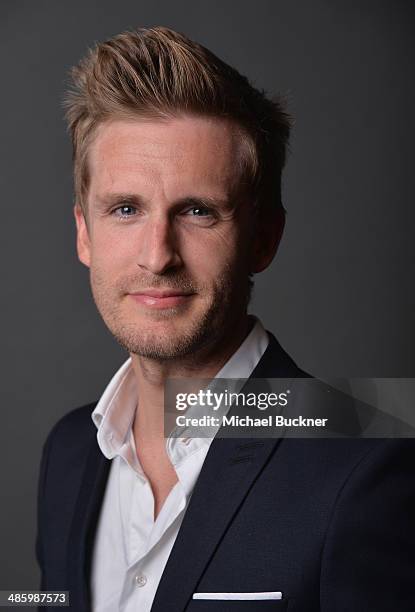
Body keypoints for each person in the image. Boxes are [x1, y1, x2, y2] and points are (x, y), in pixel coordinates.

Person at [36, 26, 415, 612]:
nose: (157, 254)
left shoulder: (368, 461)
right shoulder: (67, 452)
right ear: (84, 232)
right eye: (125, 209)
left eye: (197, 211)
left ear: (263, 238)